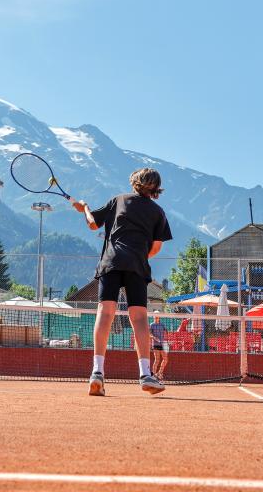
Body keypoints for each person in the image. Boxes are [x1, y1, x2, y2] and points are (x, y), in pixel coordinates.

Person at [73, 167, 172, 396]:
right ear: (156, 188)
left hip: (111, 262)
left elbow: (92, 224)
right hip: (137, 265)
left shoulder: (118, 200)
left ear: (134, 183)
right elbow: (156, 247)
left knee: (105, 313)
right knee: (138, 319)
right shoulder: (158, 212)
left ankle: (97, 372)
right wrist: (136, 255)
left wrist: (84, 207)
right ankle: (146, 374)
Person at [150, 311, 169, 381]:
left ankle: (159, 373)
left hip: (162, 344)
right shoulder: (152, 325)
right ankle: (153, 375)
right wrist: (154, 337)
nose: (156, 317)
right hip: (155, 344)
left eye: (157, 315)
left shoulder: (162, 325)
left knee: (165, 359)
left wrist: (166, 340)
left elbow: (166, 332)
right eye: (155, 316)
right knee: (157, 360)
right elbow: (150, 334)